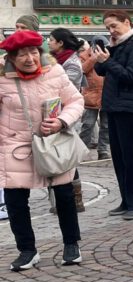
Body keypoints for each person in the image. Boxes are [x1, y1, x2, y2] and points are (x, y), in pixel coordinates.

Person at [0, 31, 85, 270]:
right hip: (15, 147)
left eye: (33, 52)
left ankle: (72, 244)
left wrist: (62, 122)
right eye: (22, 54)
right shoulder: (2, 78)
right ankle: (26, 250)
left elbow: (76, 101)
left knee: (65, 196)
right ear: (11, 57)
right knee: (16, 201)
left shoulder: (55, 72)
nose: (29, 58)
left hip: (53, 144)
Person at [93, 11, 133, 220]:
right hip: (115, 106)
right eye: (107, 28)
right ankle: (128, 200)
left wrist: (109, 62)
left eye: (114, 26)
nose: (111, 31)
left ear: (127, 22)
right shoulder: (118, 45)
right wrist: (105, 57)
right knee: (120, 158)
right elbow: (102, 71)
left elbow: (132, 76)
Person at [48, 28, 87, 212]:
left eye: (51, 39)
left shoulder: (72, 63)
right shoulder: (54, 60)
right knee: (55, 158)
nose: (48, 42)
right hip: (53, 115)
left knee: (66, 159)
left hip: (67, 116)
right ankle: (60, 200)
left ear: (60, 43)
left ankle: (75, 199)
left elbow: (64, 89)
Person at [78, 41, 109, 159]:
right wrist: (93, 59)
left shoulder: (108, 54)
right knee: (88, 124)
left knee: (106, 126)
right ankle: (82, 150)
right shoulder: (84, 56)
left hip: (106, 94)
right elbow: (82, 70)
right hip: (91, 95)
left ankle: (103, 150)